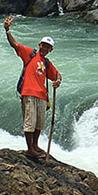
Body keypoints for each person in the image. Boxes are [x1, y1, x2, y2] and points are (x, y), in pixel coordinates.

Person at [4, 15, 62, 159]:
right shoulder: (30, 54)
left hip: (42, 95)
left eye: (48, 47)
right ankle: (30, 149)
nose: (45, 48)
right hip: (29, 92)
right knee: (30, 122)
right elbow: (15, 45)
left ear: (50, 50)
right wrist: (7, 30)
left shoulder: (47, 63)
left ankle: (35, 145)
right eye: (44, 45)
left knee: (39, 123)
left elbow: (57, 75)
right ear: (39, 45)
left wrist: (57, 82)